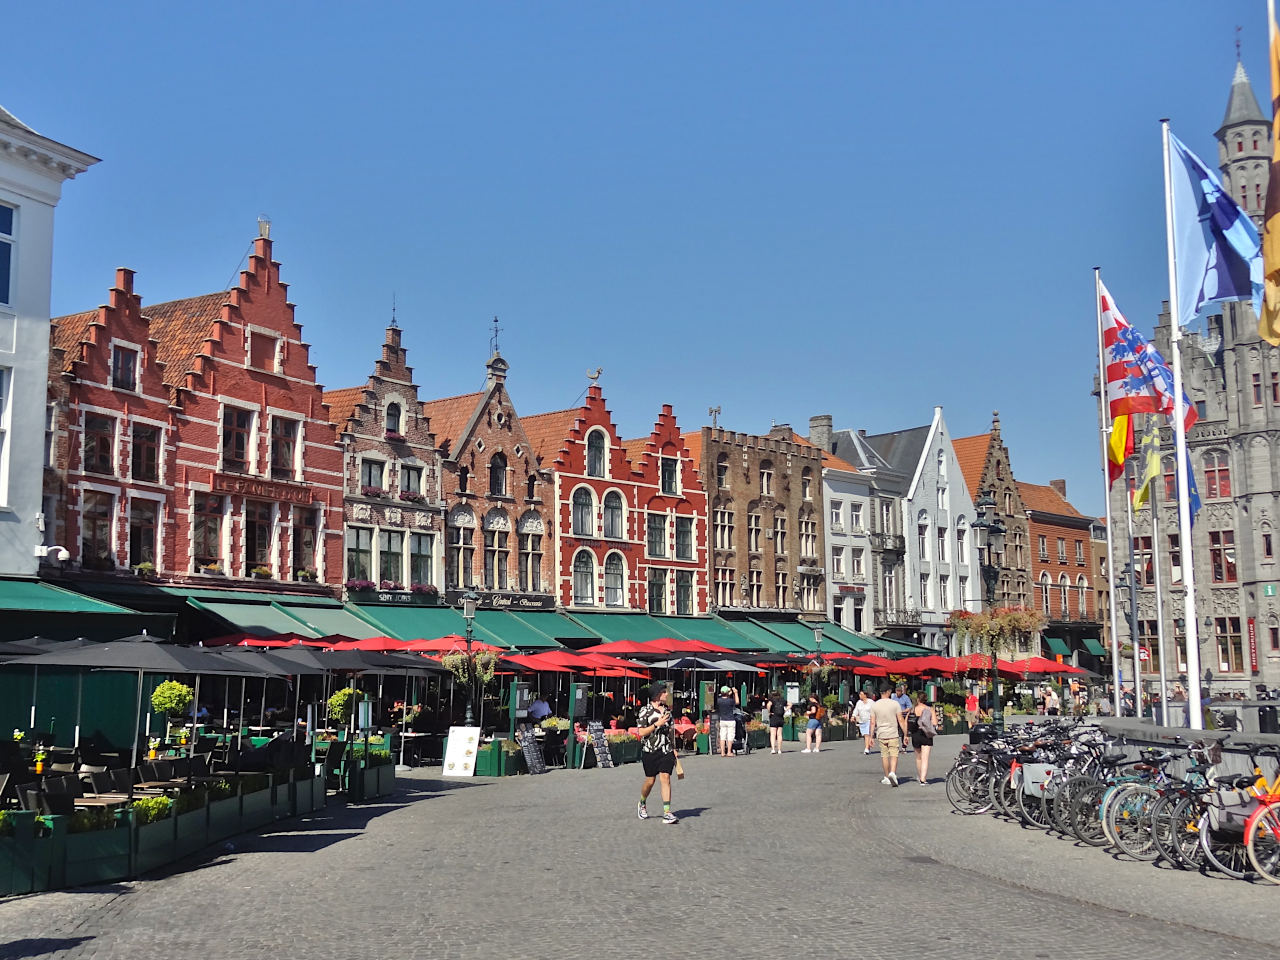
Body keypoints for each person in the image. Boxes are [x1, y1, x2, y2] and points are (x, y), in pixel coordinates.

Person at [636, 682, 679, 824]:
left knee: (665, 777)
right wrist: (656, 724)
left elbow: (671, 731)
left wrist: (674, 748)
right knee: (650, 781)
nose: (667, 694)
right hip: (650, 750)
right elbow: (641, 732)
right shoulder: (645, 711)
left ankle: (667, 812)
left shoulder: (667, 711)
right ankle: (642, 802)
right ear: (657, 694)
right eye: (664, 692)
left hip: (665, 750)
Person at [870, 687, 907, 787]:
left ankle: (886, 777)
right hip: (893, 733)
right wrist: (906, 734)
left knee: (884, 755)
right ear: (888, 692)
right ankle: (892, 773)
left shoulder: (875, 705)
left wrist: (871, 737)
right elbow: (901, 720)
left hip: (881, 733)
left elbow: (873, 722)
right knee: (894, 754)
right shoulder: (895, 704)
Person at [907, 693, 939, 784]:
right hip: (926, 733)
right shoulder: (929, 709)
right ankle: (923, 779)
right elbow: (935, 723)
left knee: (918, 757)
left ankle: (920, 775)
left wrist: (906, 735)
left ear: (918, 699)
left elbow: (907, 721)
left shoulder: (913, 709)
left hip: (915, 733)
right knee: (925, 758)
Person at [715, 685, 739, 757]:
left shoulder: (719, 700)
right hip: (730, 719)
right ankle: (729, 752)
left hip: (722, 719)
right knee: (730, 736)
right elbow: (737, 702)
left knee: (722, 736)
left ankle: (722, 752)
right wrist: (736, 693)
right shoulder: (730, 701)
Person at [850, 690, 874, 754]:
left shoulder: (871, 702)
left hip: (869, 720)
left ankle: (866, 748)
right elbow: (856, 710)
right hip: (862, 720)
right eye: (859, 694)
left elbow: (875, 710)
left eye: (861, 694)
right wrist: (853, 716)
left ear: (865, 695)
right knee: (865, 735)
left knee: (867, 734)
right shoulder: (859, 702)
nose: (860, 695)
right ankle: (868, 747)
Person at [765, 689, 786, 754]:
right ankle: (779, 749)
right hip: (781, 717)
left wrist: (769, 712)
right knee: (779, 734)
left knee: (773, 734)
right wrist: (785, 710)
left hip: (774, 717)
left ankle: (773, 749)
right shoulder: (782, 700)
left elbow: (768, 705)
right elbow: (790, 704)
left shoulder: (772, 700)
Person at [893, 685, 913, 752]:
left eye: (899, 691)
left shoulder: (906, 698)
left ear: (902, 691)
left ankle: (904, 746)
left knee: (903, 732)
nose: (898, 693)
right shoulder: (894, 697)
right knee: (895, 732)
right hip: (895, 716)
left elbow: (909, 707)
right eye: (897, 691)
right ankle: (894, 746)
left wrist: (902, 711)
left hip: (903, 716)